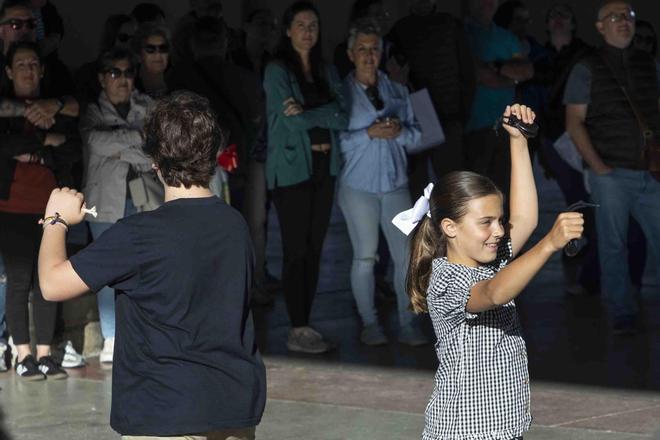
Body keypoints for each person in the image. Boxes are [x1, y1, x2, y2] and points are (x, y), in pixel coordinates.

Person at [38, 91, 266, 439]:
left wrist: (56, 219)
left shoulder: (139, 234)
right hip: (233, 406)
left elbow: (52, 284)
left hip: (164, 411)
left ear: (154, 162)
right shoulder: (235, 225)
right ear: (213, 154)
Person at [398, 104, 583, 439]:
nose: (499, 230)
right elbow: (495, 293)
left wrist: (518, 141)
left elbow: (525, 219)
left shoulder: (493, 261)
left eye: (499, 220)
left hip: (503, 426)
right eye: (486, 223)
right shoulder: (444, 280)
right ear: (450, 227)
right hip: (464, 431)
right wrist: (548, 245)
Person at [564, 1, 660, 335]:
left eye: (629, 16)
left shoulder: (649, 63)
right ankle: (622, 312)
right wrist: (598, 167)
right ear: (601, 27)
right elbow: (574, 121)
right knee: (613, 246)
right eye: (615, 17)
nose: (624, 22)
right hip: (612, 173)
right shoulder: (587, 67)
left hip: (650, 171)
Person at [263, 1, 348, 353]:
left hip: (324, 170)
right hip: (292, 171)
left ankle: (305, 323)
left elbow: (344, 116)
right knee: (296, 250)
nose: (308, 31)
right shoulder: (276, 69)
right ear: (287, 30)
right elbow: (295, 121)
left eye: (313, 24)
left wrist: (311, 111)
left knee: (314, 249)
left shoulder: (326, 70)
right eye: (300, 24)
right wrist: (323, 113)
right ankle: (297, 326)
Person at [338, 19, 427, 346]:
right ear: (351, 54)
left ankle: (408, 323)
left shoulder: (399, 91)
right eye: (362, 49)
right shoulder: (341, 94)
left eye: (374, 48)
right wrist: (368, 134)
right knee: (365, 256)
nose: (368, 55)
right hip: (357, 186)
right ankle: (370, 323)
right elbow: (336, 142)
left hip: (395, 184)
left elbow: (421, 136)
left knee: (405, 255)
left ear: (382, 52)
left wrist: (401, 132)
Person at [0, 41, 80, 381]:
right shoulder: (5, 109)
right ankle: (23, 354)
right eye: (21, 65)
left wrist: (46, 145)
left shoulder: (57, 108)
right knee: (19, 281)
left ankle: (46, 354)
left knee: (48, 280)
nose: (29, 70)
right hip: (11, 206)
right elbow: (6, 146)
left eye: (34, 64)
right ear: (8, 71)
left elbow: (73, 148)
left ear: (42, 70)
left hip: (51, 205)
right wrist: (49, 143)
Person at [80, 47, 155, 363]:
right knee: (109, 271)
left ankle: (145, 334)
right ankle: (111, 337)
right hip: (103, 203)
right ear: (101, 78)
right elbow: (96, 143)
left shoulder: (149, 105)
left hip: (145, 200)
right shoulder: (90, 111)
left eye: (127, 72)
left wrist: (118, 145)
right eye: (114, 72)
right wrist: (137, 138)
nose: (122, 79)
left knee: (147, 270)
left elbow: (155, 151)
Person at [389, 0, 476, 197]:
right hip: (415, 120)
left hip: (449, 117)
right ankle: (421, 228)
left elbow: (468, 74)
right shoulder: (400, 29)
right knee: (417, 188)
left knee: (454, 188)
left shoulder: (450, 25)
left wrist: (462, 116)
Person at [463, 0, 533, 201]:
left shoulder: (505, 36)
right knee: (475, 196)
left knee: (504, 194)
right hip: (473, 129)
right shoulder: (462, 34)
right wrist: (511, 78)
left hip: (506, 128)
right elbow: (482, 76)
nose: (487, 3)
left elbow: (527, 71)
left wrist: (495, 67)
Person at [74, 14, 137, 109]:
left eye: (134, 39)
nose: (129, 44)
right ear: (111, 39)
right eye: (124, 38)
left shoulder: (139, 72)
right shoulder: (88, 73)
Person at [133, 23, 171, 99]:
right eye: (150, 49)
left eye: (163, 48)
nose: (158, 54)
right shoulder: (128, 88)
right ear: (138, 55)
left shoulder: (179, 85)